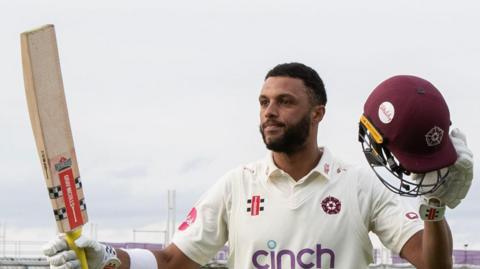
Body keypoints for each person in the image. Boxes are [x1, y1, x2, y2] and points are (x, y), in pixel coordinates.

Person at [43, 63, 473, 269]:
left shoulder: (359, 185)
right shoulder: (237, 185)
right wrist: (107, 258)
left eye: (285, 102)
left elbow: (434, 266)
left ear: (318, 113)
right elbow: (173, 261)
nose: (270, 111)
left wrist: (435, 208)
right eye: (264, 102)